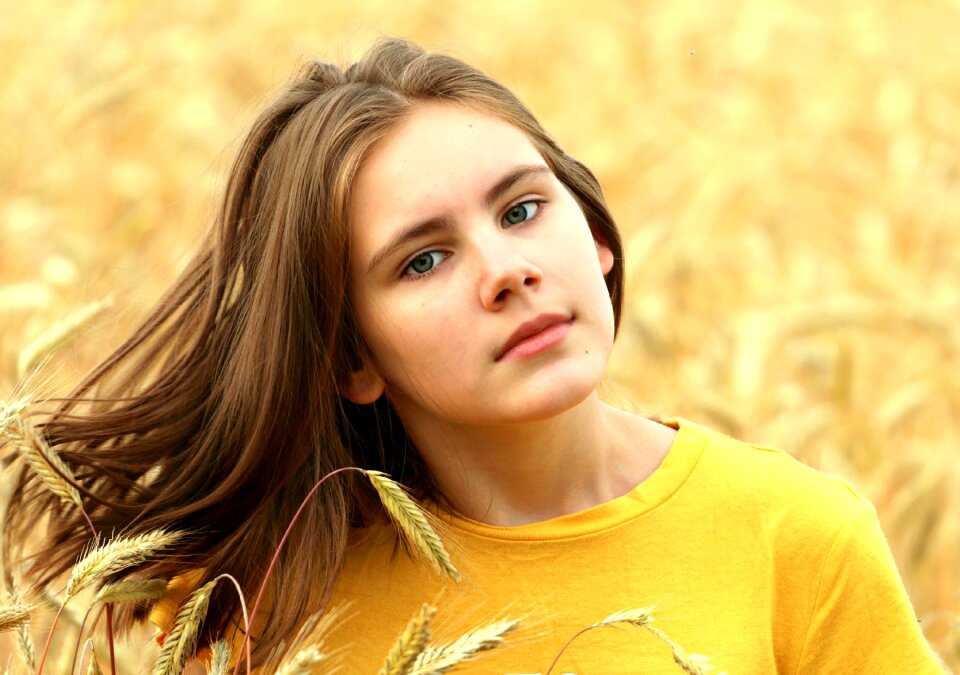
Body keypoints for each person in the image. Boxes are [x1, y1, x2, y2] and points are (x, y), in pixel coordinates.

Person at [2, 39, 942, 673]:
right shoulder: (265, 604)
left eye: (524, 208)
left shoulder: (798, 537)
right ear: (351, 359)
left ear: (598, 236)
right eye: (422, 259)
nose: (506, 271)